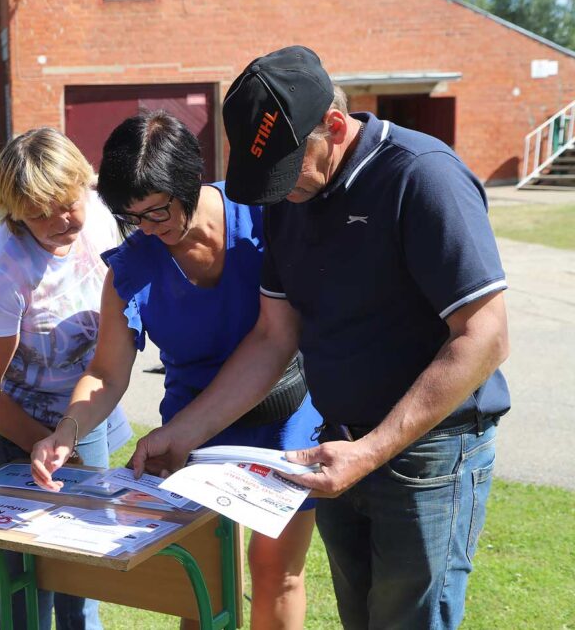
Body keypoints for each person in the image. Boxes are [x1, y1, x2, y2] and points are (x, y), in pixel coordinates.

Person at [130, 46, 510, 630]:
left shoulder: (421, 176)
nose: (281, 192)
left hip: (426, 454)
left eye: (288, 171)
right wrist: (182, 434)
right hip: (338, 447)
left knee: (410, 620)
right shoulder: (289, 196)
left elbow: (484, 335)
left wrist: (372, 449)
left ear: (334, 126)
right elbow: (272, 338)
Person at [30, 111, 323, 629]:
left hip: (285, 414)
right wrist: (67, 430)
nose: (147, 228)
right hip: (189, 434)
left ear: (190, 180)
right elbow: (105, 373)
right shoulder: (133, 263)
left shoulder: (265, 216)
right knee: (203, 584)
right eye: (131, 216)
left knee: (277, 571)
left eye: (158, 211)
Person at [0, 127, 132, 630]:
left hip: (83, 413)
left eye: (67, 203)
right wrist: (43, 442)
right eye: (37, 213)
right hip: (11, 425)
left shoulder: (99, 218)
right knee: (28, 582)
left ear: (85, 184)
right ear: (13, 212)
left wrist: (72, 435)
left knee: (82, 568)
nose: (59, 221)